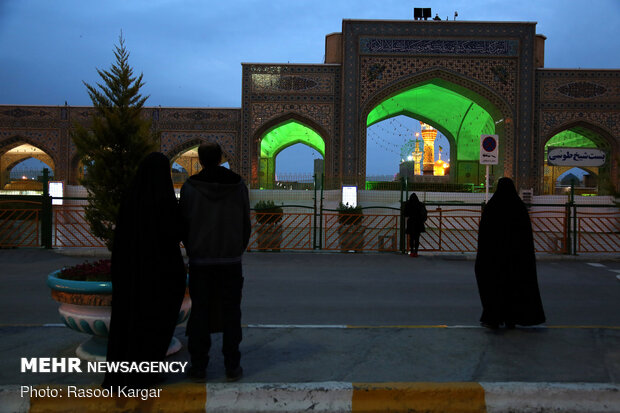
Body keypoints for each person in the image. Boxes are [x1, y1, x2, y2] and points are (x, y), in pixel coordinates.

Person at [102, 152, 186, 389]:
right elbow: (176, 231)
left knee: (127, 322)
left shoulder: (130, 198)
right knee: (155, 323)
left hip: (129, 272)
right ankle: (144, 375)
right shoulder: (164, 199)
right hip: (161, 274)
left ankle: (120, 377)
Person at [179, 142, 251, 382]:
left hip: (201, 262)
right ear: (221, 158)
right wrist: (235, 249)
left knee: (200, 313)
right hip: (230, 262)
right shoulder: (238, 185)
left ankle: (199, 367)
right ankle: (233, 366)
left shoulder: (190, 187)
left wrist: (194, 249)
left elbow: (184, 224)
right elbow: (245, 224)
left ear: (199, 160)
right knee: (232, 313)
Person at [474, 177, 546, 329]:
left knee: (495, 288)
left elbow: (485, 237)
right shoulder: (519, 209)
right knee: (515, 288)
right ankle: (511, 318)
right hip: (516, 261)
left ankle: (494, 318)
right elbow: (526, 239)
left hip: (495, 260)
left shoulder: (492, 208)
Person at [404, 193, 427, 257]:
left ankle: (411, 252)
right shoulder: (420, 204)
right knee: (417, 238)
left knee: (411, 238)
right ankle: (416, 252)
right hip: (418, 223)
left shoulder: (408, 204)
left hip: (411, 223)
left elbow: (405, 214)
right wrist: (422, 221)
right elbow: (424, 214)